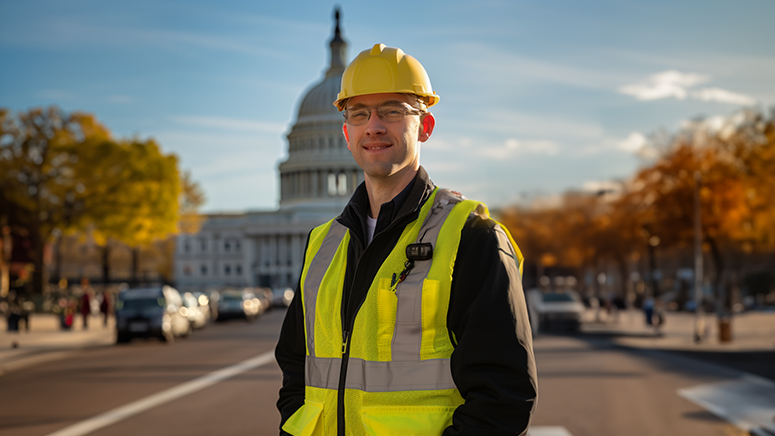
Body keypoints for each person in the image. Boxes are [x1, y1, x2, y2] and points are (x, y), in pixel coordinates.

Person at [275, 43, 538, 436]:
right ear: (346, 133)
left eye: (393, 111)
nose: (374, 126)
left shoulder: (472, 236)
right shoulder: (322, 245)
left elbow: (504, 396)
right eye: (360, 114)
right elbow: (297, 373)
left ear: (425, 127)